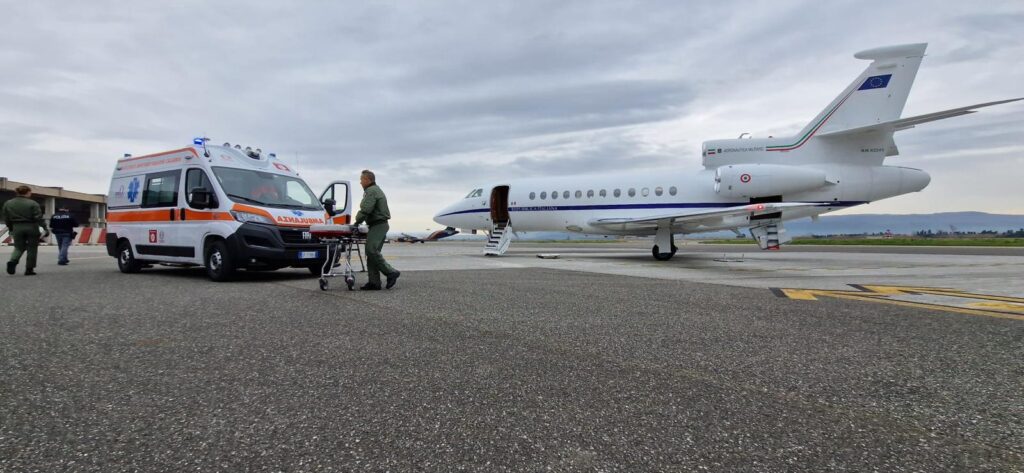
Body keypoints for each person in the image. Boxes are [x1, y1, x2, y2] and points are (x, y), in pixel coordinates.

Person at [353, 170, 400, 290]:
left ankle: (390, 272)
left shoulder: (371, 191)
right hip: (378, 225)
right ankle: (374, 282)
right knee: (372, 254)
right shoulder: (374, 190)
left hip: (378, 225)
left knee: (371, 250)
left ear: (368, 180)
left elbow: (366, 209)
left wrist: (356, 222)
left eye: (361, 179)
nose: (360, 182)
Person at [3, 185, 49, 276]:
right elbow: (38, 217)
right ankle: (29, 269)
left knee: (18, 247)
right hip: (31, 227)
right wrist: (45, 228)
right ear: (27, 192)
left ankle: (13, 261)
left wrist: (11, 228)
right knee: (32, 248)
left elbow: (6, 218)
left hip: (17, 227)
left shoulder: (8, 203)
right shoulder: (33, 203)